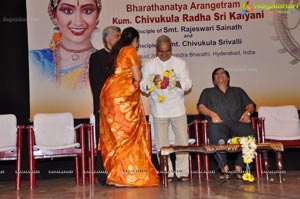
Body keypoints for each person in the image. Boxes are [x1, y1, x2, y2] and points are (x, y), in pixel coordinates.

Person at [99, 27, 160, 187]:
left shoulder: (116, 51)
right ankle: (128, 177)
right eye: (138, 41)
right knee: (128, 136)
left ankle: (117, 176)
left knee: (117, 138)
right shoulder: (130, 50)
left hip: (109, 95)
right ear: (135, 40)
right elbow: (137, 76)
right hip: (123, 97)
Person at [140, 35, 192, 182]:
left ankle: (182, 172)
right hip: (159, 109)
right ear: (156, 50)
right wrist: (151, 82)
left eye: (167, 51)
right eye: (161, 51)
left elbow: (188, 83)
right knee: (161, 142)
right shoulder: (149, 65)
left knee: (182, 140)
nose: (164, 54)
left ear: (171, 49)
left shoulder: (180, 63)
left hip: (177, 108)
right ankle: (166, 171)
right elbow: (143, 86)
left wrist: (175, 82)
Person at [197, 67, 256, 180]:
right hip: (219, 124)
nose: (220, 75)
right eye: (216, 74)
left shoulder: (238, 90)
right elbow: (201, 107)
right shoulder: (207, 92)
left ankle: (239, 167)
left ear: (228, 78)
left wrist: (248, 113)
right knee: (217, 137)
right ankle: (225, 169)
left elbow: (250, 105)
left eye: (222, 73)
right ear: (214, 80)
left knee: (250, 135)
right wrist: (212, 114)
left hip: (238, 123)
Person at [29, 0, 102, 89]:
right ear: (54, 15)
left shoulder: (107, 62)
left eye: (87, 11)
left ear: (97, 16)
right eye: (68, 11)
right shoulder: (37, 61)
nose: (78, 22)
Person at [89, 26, 121, 184]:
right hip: (104, 107)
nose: (119, 39)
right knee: (104, 141)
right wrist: (102, 106)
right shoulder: (96, 57)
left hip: (120, 109)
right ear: (107, 38)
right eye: (116, 36)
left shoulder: (121, 56)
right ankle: (105, 175)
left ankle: (120, 173)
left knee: (119, 141)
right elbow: (96, 85)